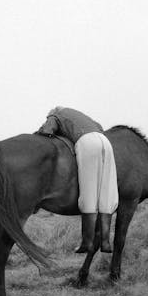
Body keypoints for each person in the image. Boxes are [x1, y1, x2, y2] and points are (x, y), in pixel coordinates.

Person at [37, 106, 118, 253]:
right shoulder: (81, 116)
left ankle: (87, 242)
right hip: (105, 142)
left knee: (89, 190)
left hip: (87, 143)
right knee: (106, 191)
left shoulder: (55, 114)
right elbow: (100, 127)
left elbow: (47, 131)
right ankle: (105, 242)